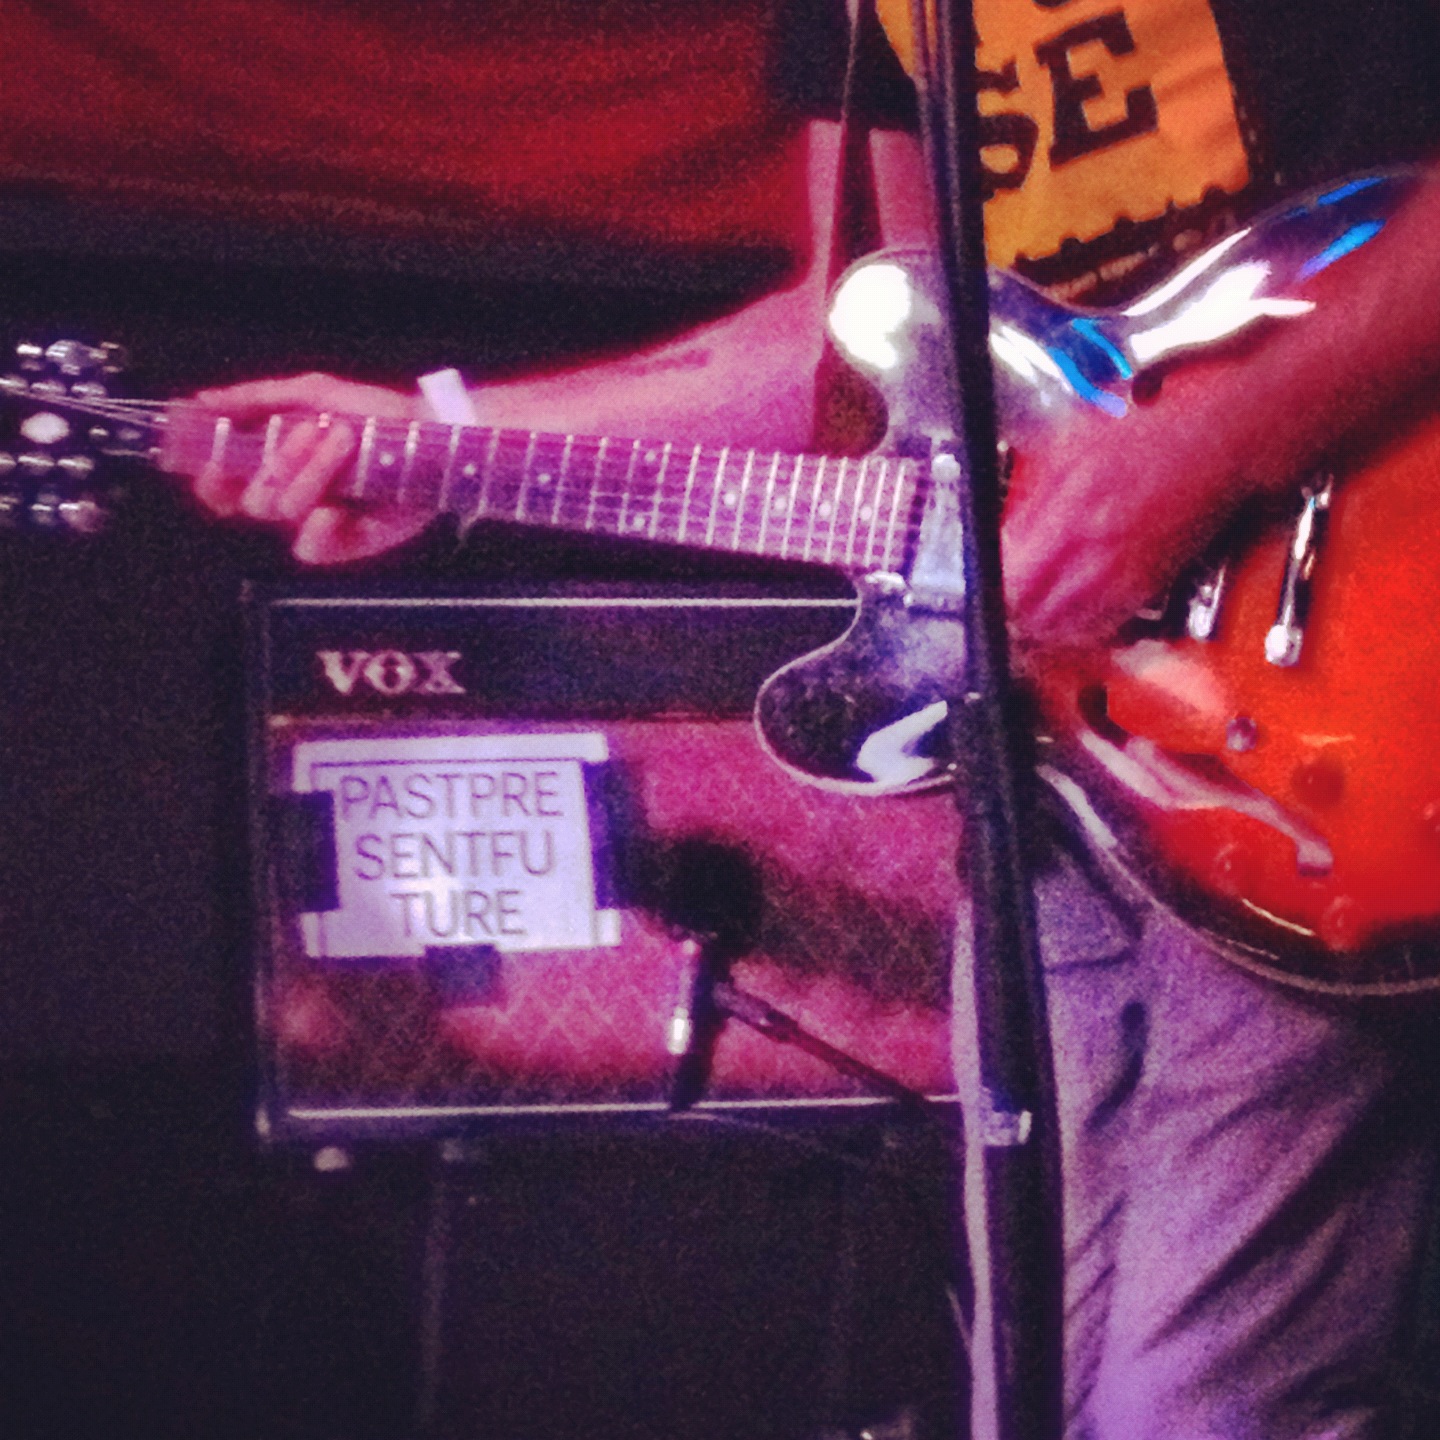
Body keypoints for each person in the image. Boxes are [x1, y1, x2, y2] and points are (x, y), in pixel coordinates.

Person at [183, 3, 1440, 1435]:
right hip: (1075, 754)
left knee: (1200, 1408)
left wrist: (1200, 452)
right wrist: (448, 443)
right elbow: (860, 347)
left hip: (1350, 672)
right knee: (1031, 1393)